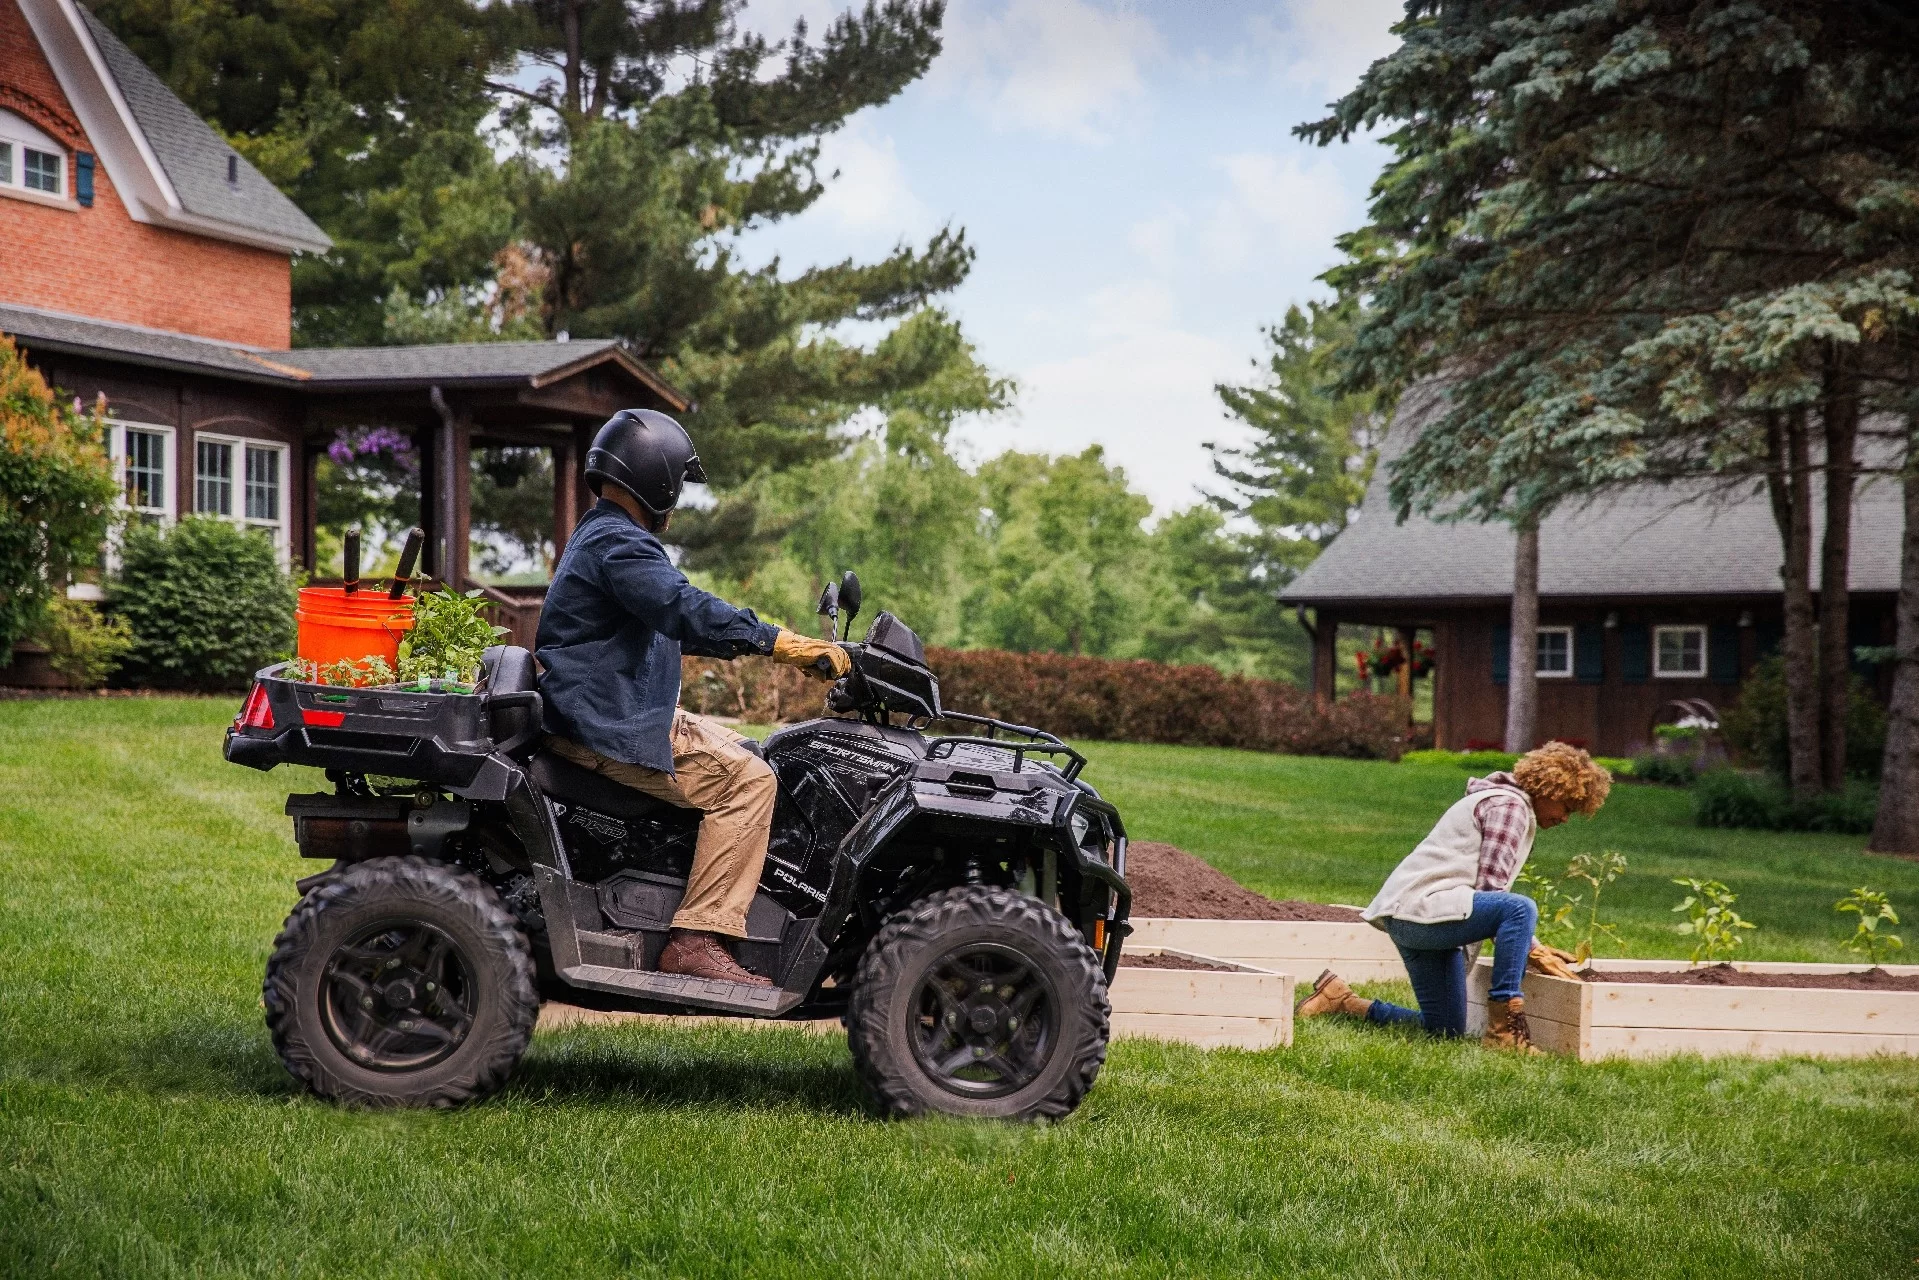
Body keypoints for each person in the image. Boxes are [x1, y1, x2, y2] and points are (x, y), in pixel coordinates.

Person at [535, 408, 851, 987]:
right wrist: (778, 641)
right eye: (677, 483)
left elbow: (672, 619)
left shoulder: (601, 535)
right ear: (655, 480)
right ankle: (697, 939)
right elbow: (683, 607)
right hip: (605, 721)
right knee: (749, 782)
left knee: (755, 751)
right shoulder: (619, 545)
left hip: (610, 709)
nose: (677, 500)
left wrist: (769, 647)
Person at [1295, 741, 1611, 1052]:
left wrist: (1530, 945)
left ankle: (1342, 1001)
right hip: (1423, 913)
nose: (1565, 818)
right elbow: (1493, 892)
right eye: (1566, 807)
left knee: (1445, 1029)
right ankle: (1504, 1031)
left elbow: (1484, 902)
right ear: (1549, 790)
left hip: (1417, 917)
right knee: (1520, 908)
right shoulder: (1510, 807)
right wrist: (1534, 950)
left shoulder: (1502, 801)